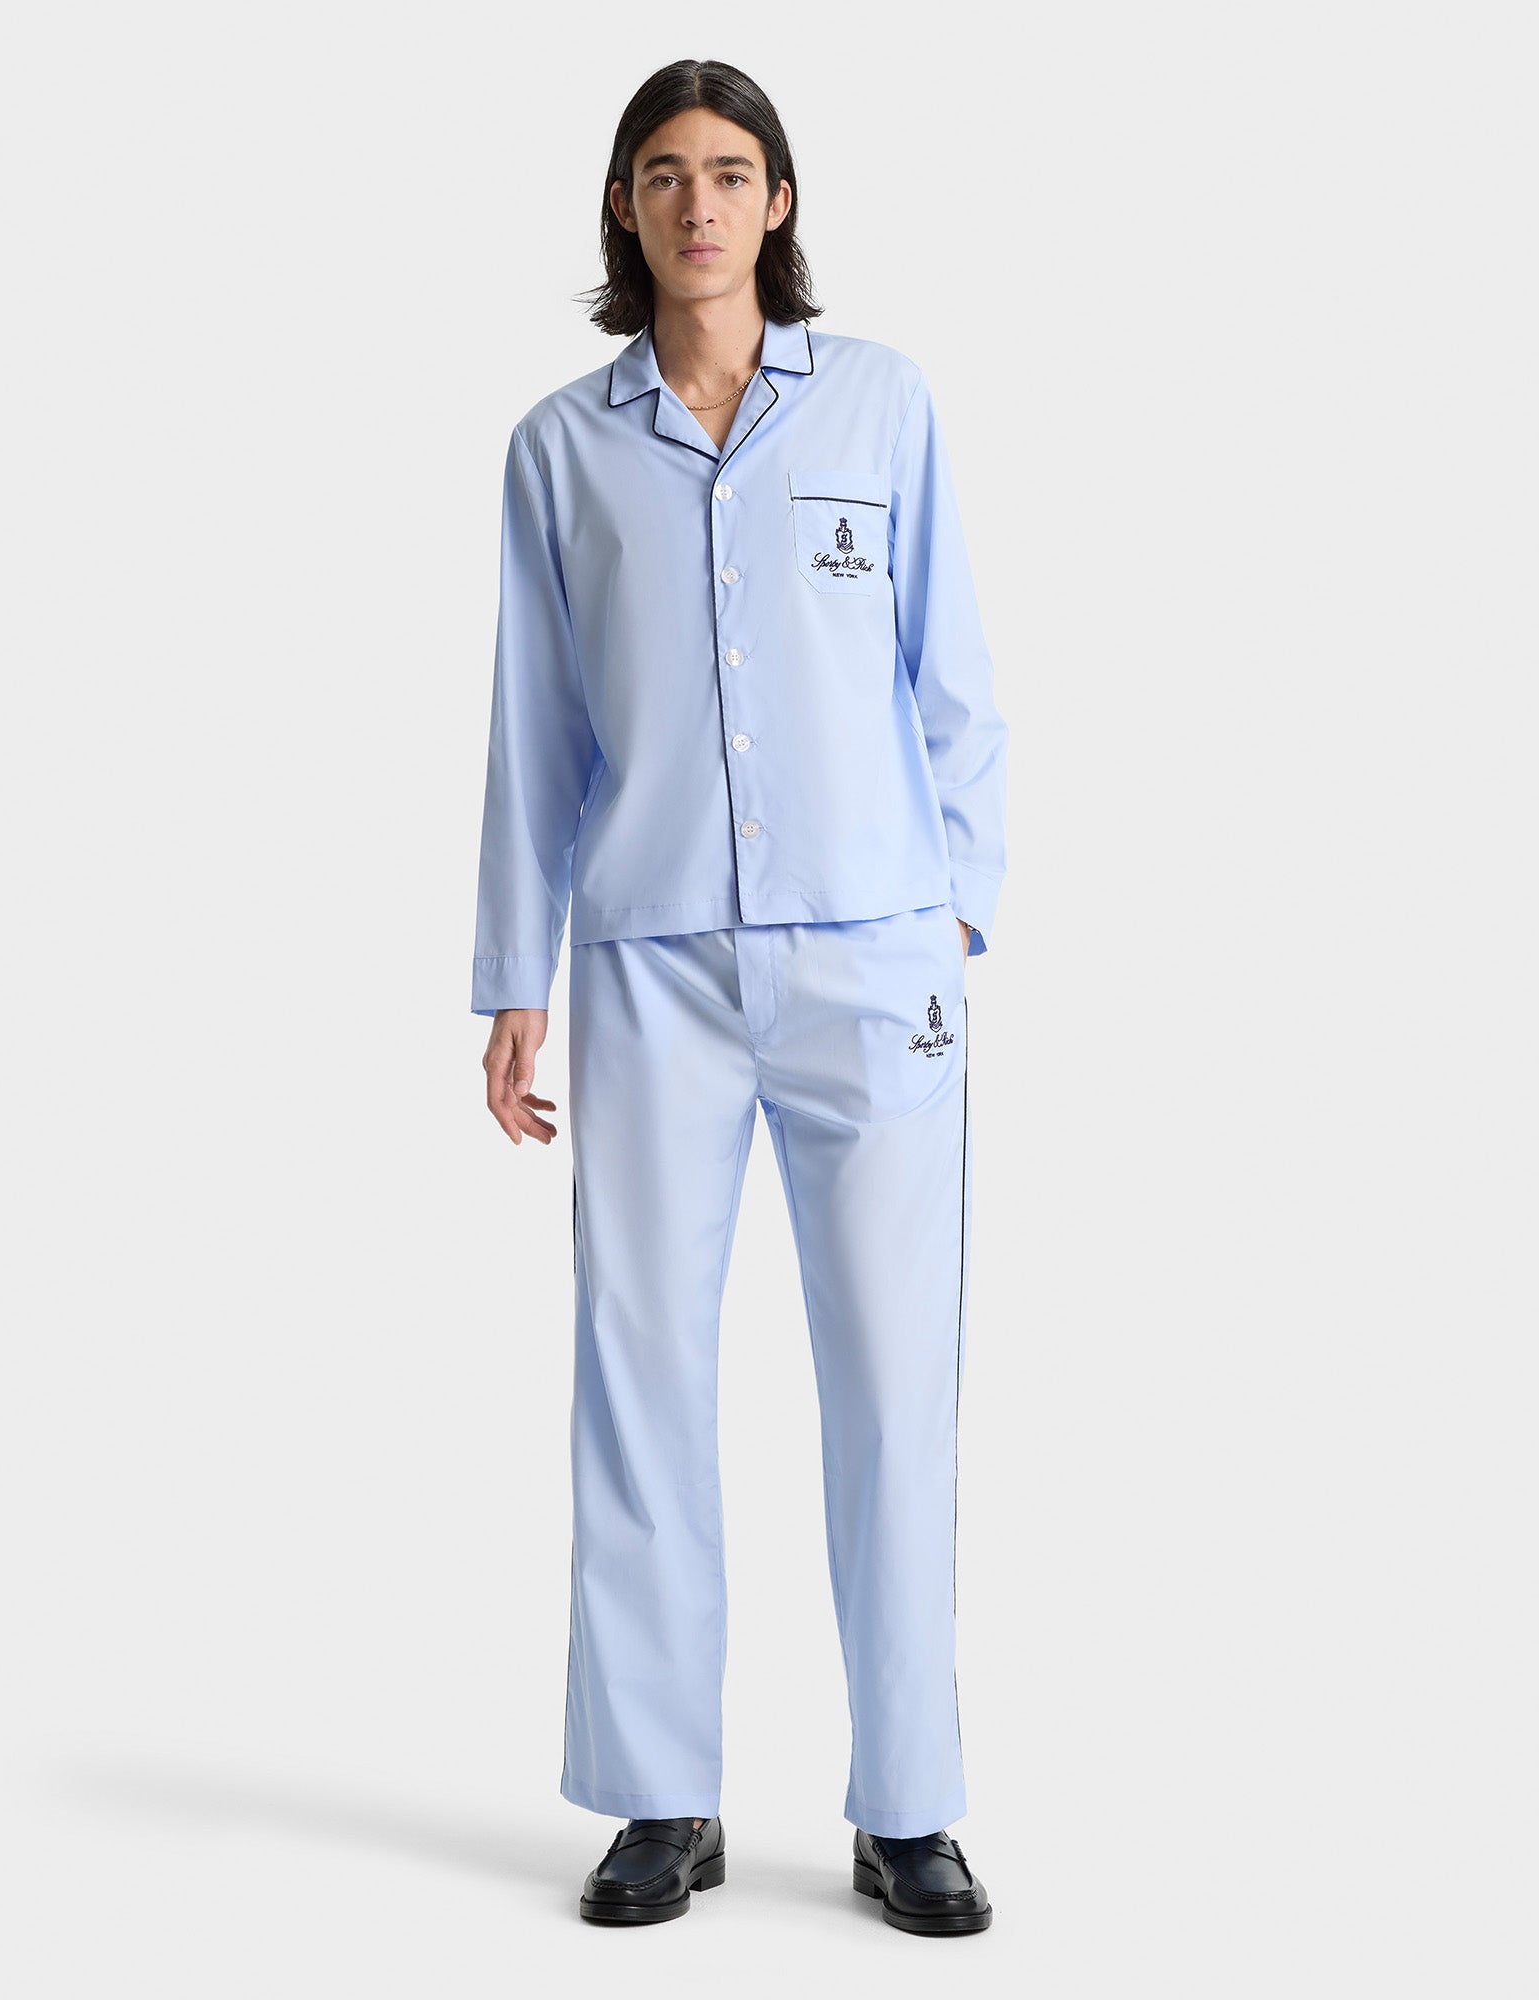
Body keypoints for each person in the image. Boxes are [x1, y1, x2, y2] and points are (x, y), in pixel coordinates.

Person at [471, 57, 1006, 1937]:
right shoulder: (560, 448)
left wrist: (955, 919)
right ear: (623, 208)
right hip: (650, 966)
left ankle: (909, 1809)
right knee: (638, 1372)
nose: (697, 204)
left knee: (893, 1381)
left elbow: (953, 682)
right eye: (662, 174)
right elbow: (534, 728)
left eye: (729, 170)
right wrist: (510, 974)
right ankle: (659, 1796)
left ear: (778, 199)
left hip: (875, 965)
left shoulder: (882, 405)